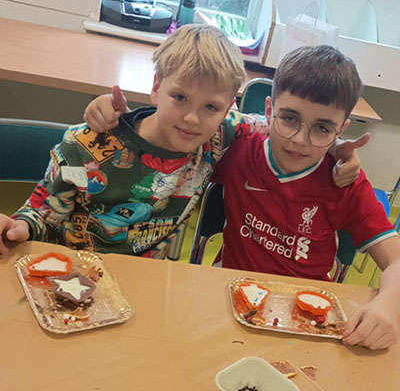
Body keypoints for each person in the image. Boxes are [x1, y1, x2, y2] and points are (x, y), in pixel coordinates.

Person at [0, 26, 359, 262]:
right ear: (156, 87)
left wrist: (335, 146)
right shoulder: (86, 144)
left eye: (210, 107)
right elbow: (41, 215)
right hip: (67, 273)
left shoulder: (220, 136)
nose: (192, 119)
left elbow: (285, 126)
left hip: (145, 288)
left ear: (228, 108)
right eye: (180, 97)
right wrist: (18, 228)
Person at [211, 45, 400, 350]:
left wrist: (388, 305)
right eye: (289, 118)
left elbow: (396, 259)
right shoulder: (238, 151)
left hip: (305, 320)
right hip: (231, 303)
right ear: (269, 110)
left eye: (322, 128)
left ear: (341, 129)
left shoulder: (345, 183)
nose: (300, 140)